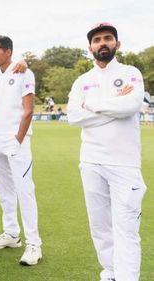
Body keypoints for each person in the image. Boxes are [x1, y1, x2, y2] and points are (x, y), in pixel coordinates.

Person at [67, 23, 146, 281]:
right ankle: (111, 272)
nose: (103, 43)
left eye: (108, 38)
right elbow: (73, 116)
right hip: (90, 161)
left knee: (126, 229)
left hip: (124, 164)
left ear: (117, 44)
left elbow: (132, 105)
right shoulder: (83, 80)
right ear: (90, 47)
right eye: (97, 39)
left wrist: (91, 106)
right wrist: (113, 107)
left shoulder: (130, 72)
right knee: (100, 227)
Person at [0, 35, 42, 266]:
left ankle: (34, 244)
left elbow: (29, 109)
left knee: (24, 190)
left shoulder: (24, 72)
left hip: (16, 140)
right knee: (4, 190)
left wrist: (18, 138)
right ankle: (11, 234)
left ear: (8, 52)